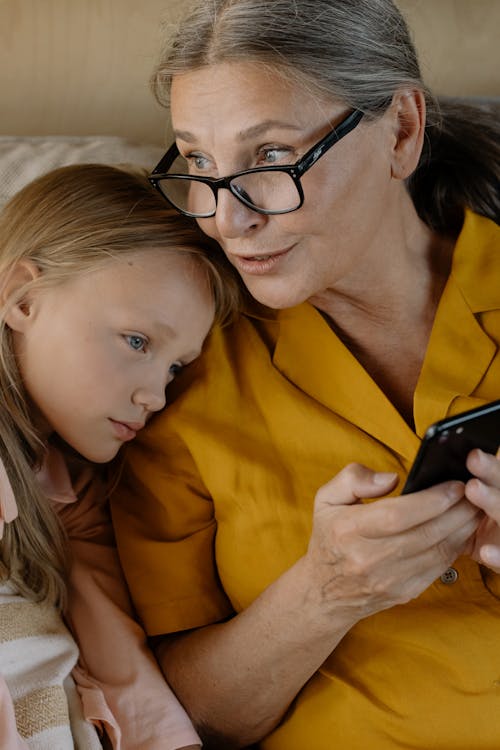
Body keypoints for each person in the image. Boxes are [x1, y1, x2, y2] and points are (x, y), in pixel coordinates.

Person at [111, 1, 500, 748]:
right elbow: (181, 720)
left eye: (271, 156)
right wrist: (323, 595)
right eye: (198, 163)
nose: (230, 219)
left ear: (403, 130)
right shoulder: (170, 381)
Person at [0, 162, 237, 749]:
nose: (155, 395)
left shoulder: (67, 488)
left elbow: (120, 662)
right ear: (23, 298)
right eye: (137, 341)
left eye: (176, 366)